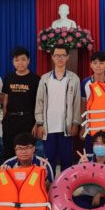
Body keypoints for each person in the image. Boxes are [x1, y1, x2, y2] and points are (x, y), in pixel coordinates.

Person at [33, 44, 81, 173]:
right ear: (52, 57)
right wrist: (39, 123)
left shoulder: (74, 79)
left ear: (68, 57)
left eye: (63, 55)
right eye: (57, 55)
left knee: (67, 160)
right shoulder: (45, 78)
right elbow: (39, 102)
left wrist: (75, 123)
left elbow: (76, 103)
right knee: (49, 161)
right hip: (48, 128)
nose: (60, 58)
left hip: (66, 127)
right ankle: (50, 184)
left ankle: (65, 184)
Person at [2, 47, 41, 162]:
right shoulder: (8, 77)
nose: (20, 63)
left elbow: (39, 102)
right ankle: (9, 171)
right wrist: (4, 117)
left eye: (23, 59)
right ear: (13, 62)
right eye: (17, 60)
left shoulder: (36, 79)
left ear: (28, 61)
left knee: (26, 151)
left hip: (28, 120)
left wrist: (37, 123)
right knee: (9, 150)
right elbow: (6, 98)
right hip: (10, 120)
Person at [75, 132, 105, 209]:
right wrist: (84, 168)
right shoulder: (85, 158)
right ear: (93, 146)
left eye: (103, 143)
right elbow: (77, 182)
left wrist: (100, 195)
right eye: (97, 143)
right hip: (86, 195)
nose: (100, 146)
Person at [81, 50, 105, 152]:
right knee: (90, 155)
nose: (98, 66)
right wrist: (82, 126)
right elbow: (83, 105)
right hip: (90, 127)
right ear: (91, 65)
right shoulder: (85, 82)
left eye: (101, 63)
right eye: (95, 63)